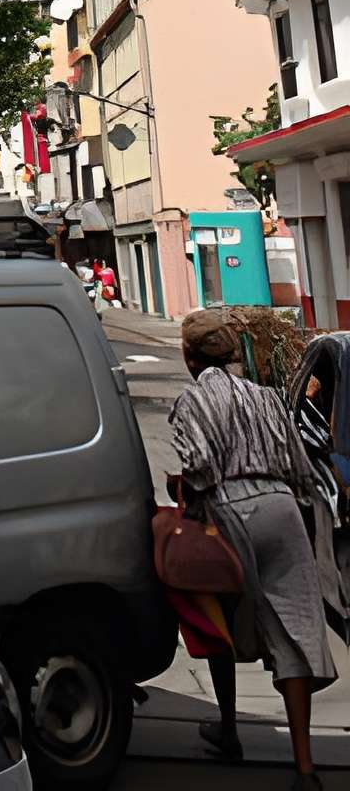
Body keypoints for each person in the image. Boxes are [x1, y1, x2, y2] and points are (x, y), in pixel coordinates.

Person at [170, 310, 335, 789]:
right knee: (296, 631)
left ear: (190, 358)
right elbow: (299, 464)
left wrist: (194, 495)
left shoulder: (192, 401)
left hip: (230, 511)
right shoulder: (266, 397)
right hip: (283, 507)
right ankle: (305, 768)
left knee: (216, 615)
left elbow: (200, 465)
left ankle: (228, 728)